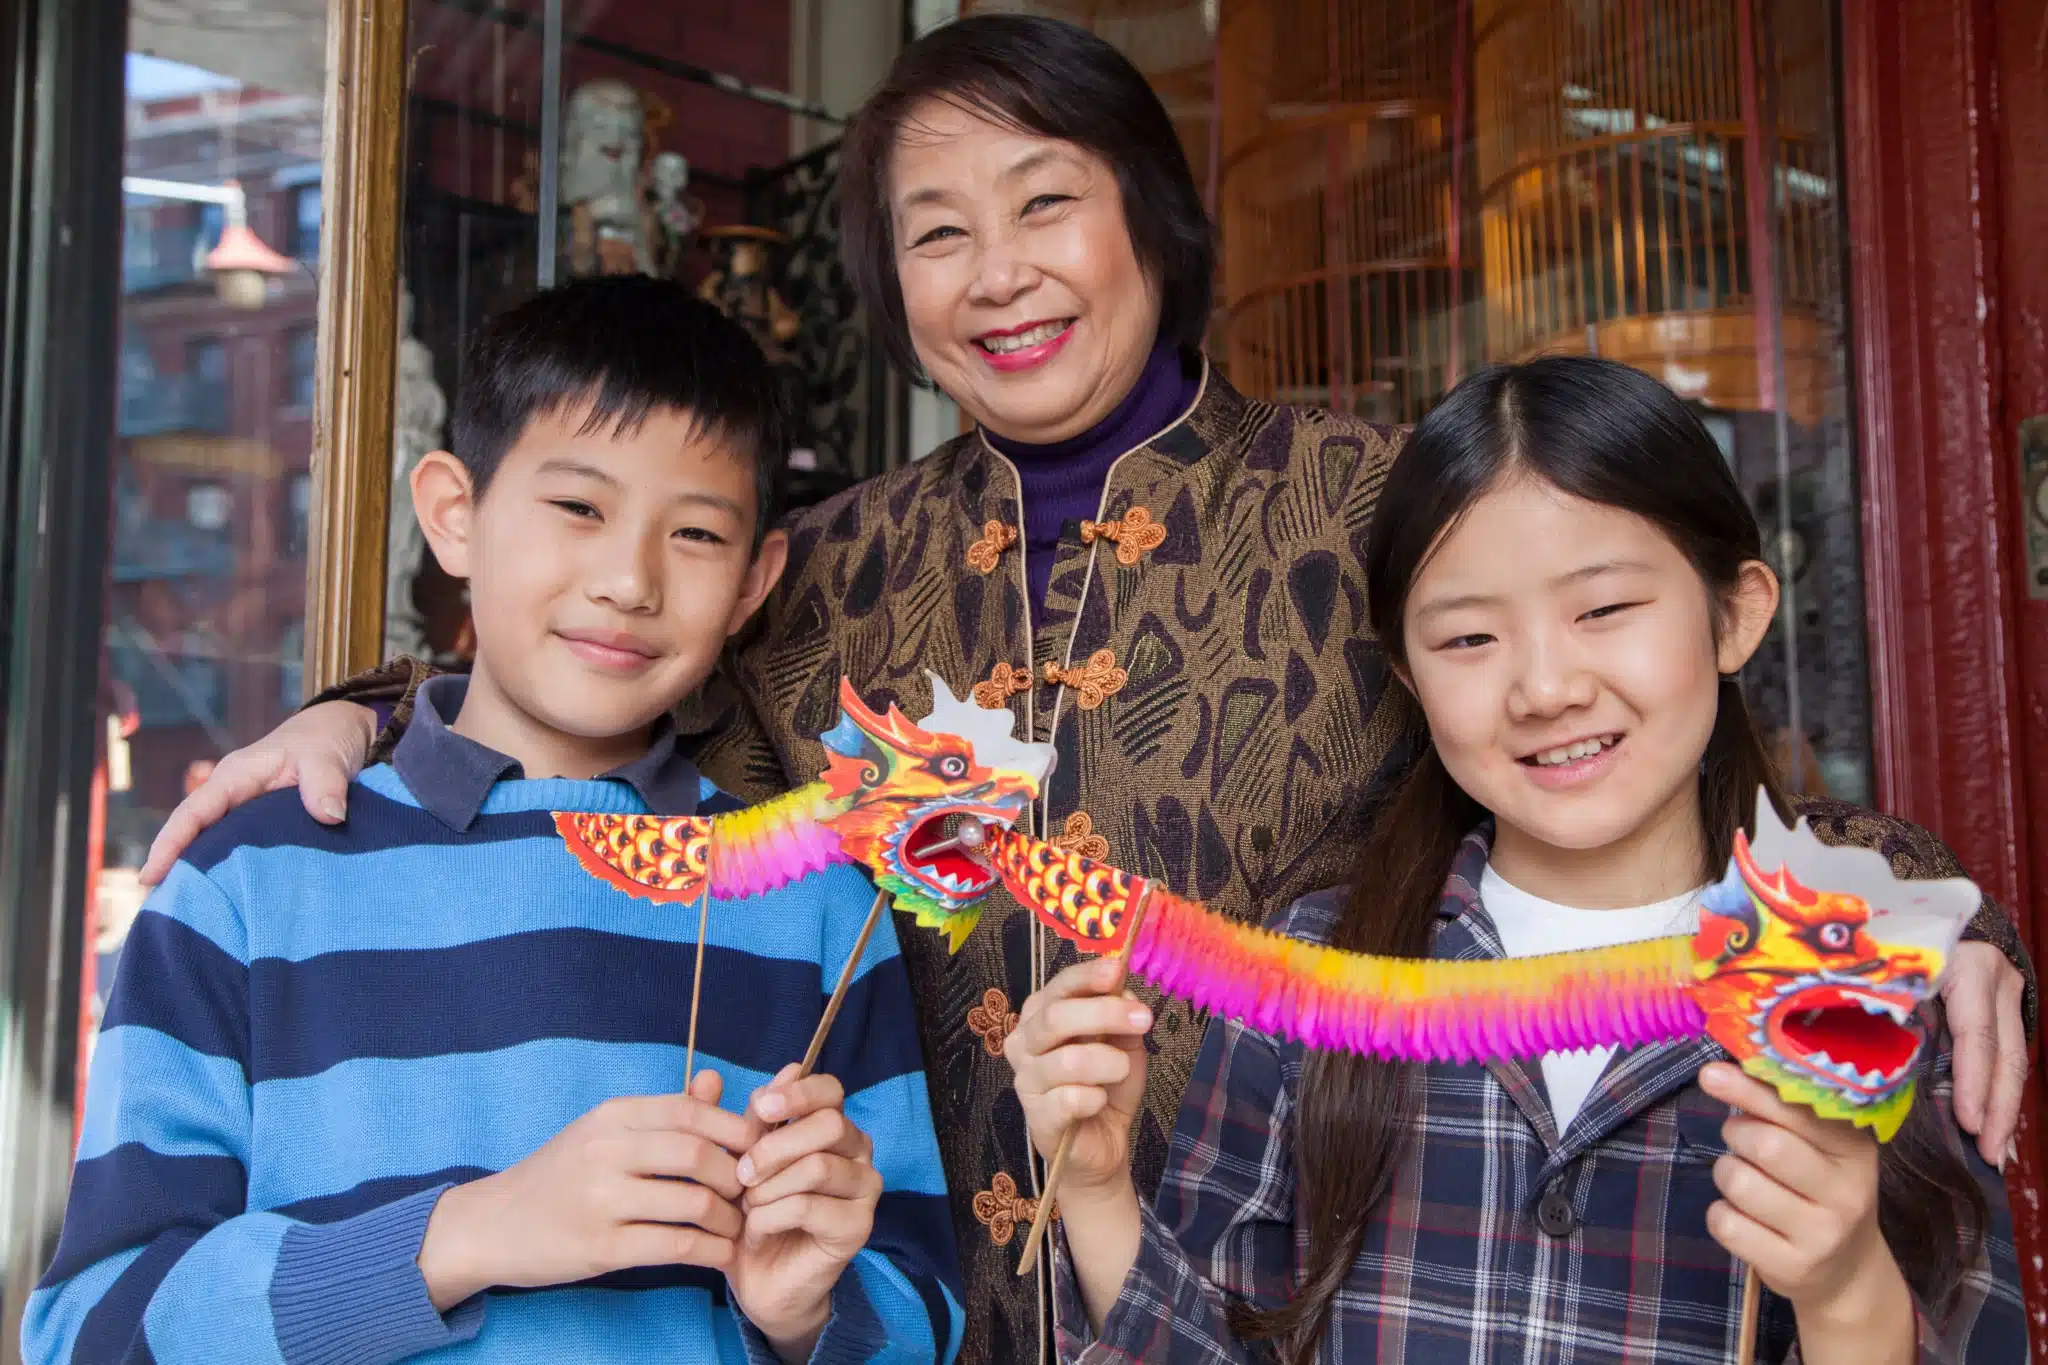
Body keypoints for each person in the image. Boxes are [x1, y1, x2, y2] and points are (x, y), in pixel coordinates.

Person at [136, 17, 2035, 1364]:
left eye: (1044, 205)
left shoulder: (1363, 499)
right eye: (934, 233)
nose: (997, 274)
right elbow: (599, 675)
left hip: (1288, 1302)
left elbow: (1585, 713)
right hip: (904, 1315)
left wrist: (1910, 914)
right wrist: (370, 707)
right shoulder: (833, 567)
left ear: (1147, 219)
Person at [1007, 357, 2025, 1364]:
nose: (1543, 688)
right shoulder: (1307, 966)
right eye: (1468, 639)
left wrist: (1844, 1288)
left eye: (1602, 611)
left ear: (1735, 614)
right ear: (1405, 673)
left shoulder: (1870, 994)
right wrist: (1094, 1193)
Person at [27, 277, 961, 1365]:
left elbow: (921, 1309)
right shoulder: (247, 883)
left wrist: (806, 1313)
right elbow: (92, 1335)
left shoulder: (815, 907)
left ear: (754, 583)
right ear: (453, 515)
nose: (627, 579)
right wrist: (470, 1234)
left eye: (696, 533)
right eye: (577, 507)